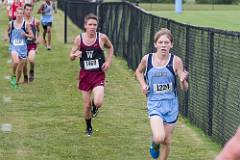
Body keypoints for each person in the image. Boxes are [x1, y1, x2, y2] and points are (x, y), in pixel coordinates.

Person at [135, 28, 189, 160]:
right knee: (159, 137)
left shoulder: (176, 61)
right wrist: (143, 85)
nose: (164, 45)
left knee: (167, 140)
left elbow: (185, 88)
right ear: (155, 44)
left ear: (171, 44)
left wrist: (182, 80)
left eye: (166, 42)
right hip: (154, 103)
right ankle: (154, 143)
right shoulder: (147, 59)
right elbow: (138, 72)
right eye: (161, 42)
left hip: (171, 105)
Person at [69, 13, 113, 136]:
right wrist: (74, 55)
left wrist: (108, 61)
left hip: (98, 75)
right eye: (90, 24)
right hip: (85, 76)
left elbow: (111, 47)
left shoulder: (102, 38)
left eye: (94, 24)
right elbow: (70, 56)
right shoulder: (79, 39)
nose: (92, 27)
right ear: (85, 26)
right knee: (86, 105)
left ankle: (95, 107)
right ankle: (89, 127)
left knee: (98, 102)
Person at [4, 7, 33, 89]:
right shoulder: (11, 23)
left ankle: (16, 83)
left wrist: (26, 35)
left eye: (21, 13)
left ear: (23, 14)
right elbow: (6, 31)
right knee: (16, 62)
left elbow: (32, 36)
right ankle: (13, 75)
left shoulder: (26, 24)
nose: (19, 15)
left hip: (23, 48)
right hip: (14, 46)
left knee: (20, 69)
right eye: (18, 13)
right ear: (15, 14)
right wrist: (6, 36)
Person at [23, 3, 41, 82]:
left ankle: (32, 71)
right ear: (24, 10)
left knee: (31, 60)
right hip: (22, 45)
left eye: (30, 10)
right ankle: (25, 77)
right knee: (24, 63)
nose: (29, 11)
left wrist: (37, 39)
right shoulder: (21, 20)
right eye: (27, 10)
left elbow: (38, 30)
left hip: (32, 44)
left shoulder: (36, 21)